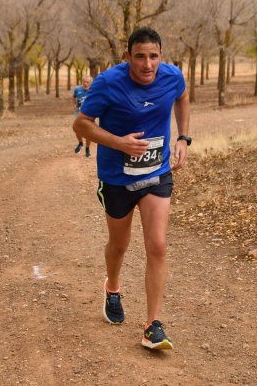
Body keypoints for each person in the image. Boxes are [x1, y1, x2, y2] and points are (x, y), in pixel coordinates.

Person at [73, 27, 191, 350]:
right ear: (127, 57)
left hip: (157, 174)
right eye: (140, 56)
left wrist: (183, 137)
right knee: (120, 243)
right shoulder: (108, 83)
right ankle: (112, 287)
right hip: (117, 178)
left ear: (161, 56)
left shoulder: (171, 77)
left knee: (158, 245)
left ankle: (153, 326)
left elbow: (182, 95)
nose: (147, 64)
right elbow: (80, 124)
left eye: (154, 56)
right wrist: (118, 142)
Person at [73, 75, 93, 157]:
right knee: (77, 129)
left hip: (89, 113)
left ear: (90, 83)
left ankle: (87, 149)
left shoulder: (93, 91)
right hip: (79, 112)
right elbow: (74, 97)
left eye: (87, 82)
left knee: (88, 132)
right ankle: (80, 143)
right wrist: (74, 104)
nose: (85, 83)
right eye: (84, 81)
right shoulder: (77, 89)